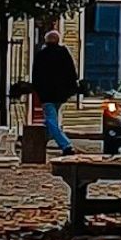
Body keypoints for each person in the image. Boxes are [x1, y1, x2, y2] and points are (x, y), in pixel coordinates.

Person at [31, 24, 80, 154]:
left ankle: (66, 145)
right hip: (61, 94)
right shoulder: (64, 53)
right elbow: (71, 73)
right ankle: (39, 144)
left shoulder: (41, 55)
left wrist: (37, 89)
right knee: (51, 119)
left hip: (46, 94)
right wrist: (70, 89)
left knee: (50, 119)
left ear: (46, 41)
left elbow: (36, 75)